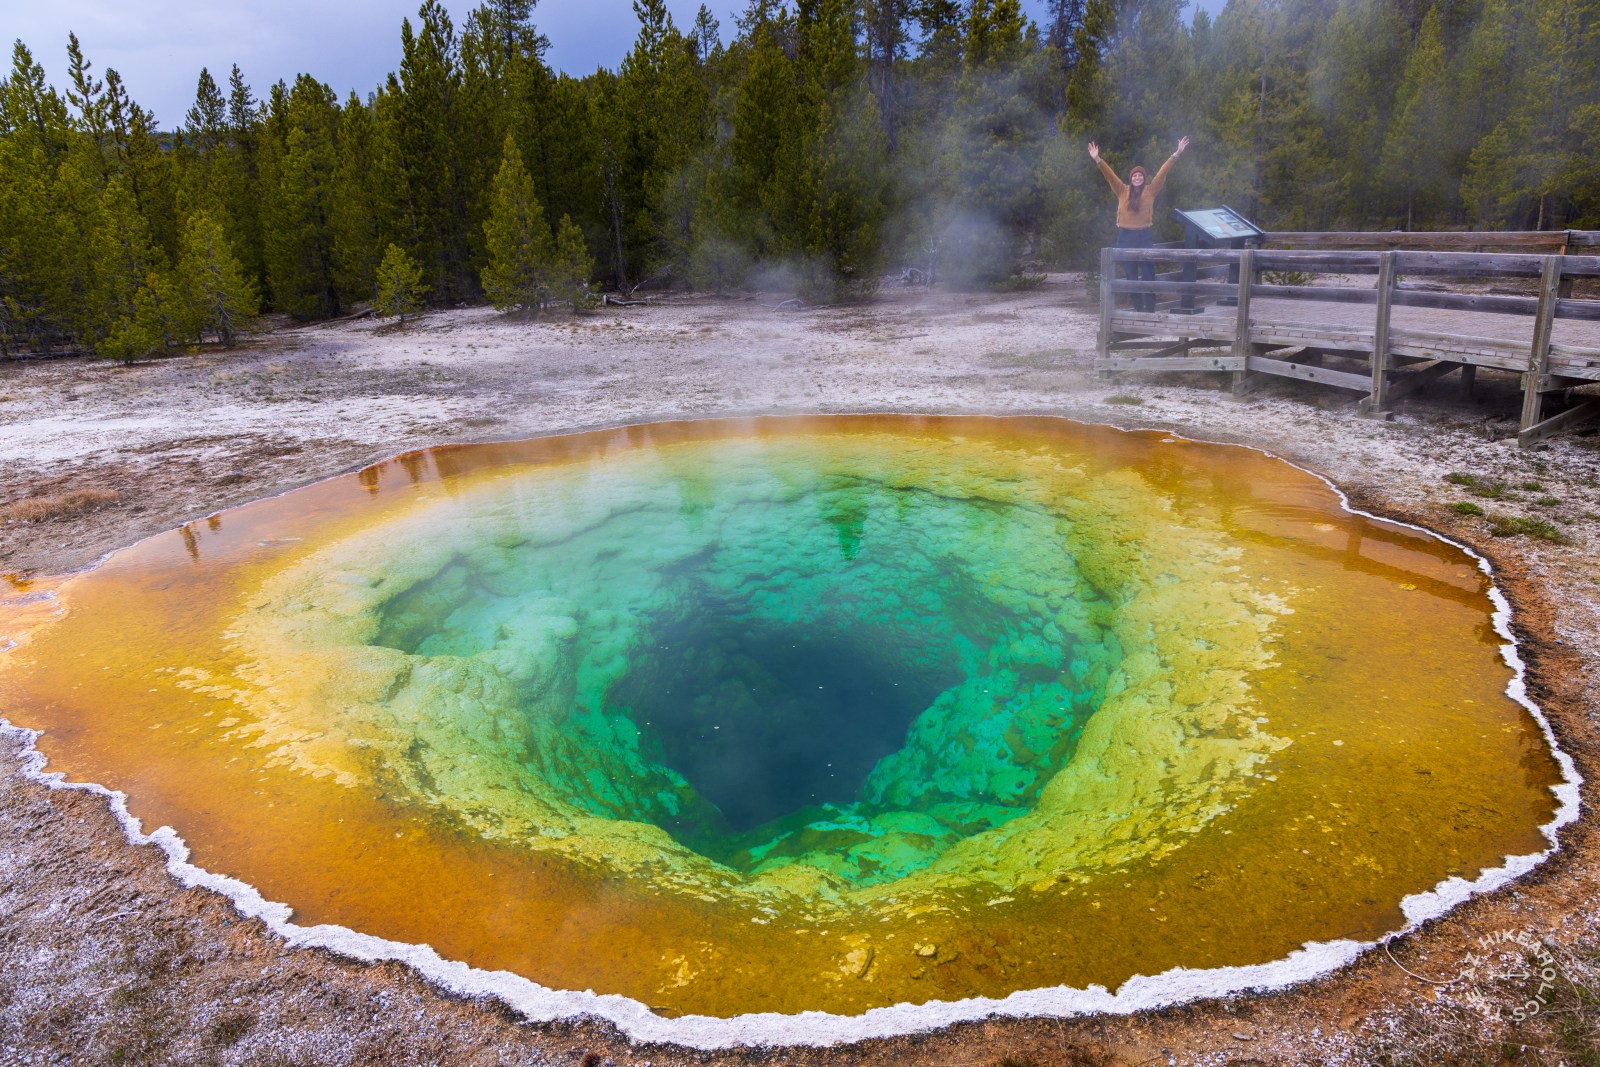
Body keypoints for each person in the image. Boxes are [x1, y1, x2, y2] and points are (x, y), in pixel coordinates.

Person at [1089, 136, 1190, 312]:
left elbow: (1162, 172)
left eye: (1140, 175)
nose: (1137, 178)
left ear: (1144, 178)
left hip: (1144, 236)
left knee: (1148, 274)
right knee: (1131, 276)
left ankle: (1150, 308)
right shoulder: (1122, 190)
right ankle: (1138, 308)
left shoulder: (1151, 190)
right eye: (1134, 175)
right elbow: (1110, 175)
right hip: (1125, 237)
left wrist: (1177, 153)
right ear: (1131, 178)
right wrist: (1098, 159)